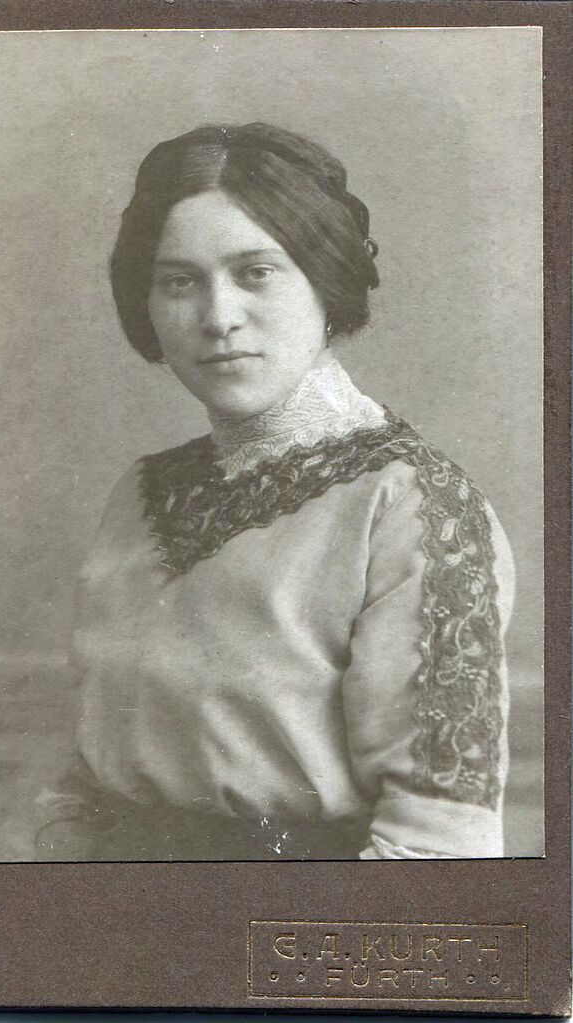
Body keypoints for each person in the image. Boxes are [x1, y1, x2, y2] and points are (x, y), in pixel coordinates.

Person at [34, 122, 515, 861]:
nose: (218, 318)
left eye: (255, 272)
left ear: (325, 283)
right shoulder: (140, 494)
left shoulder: (414, 506)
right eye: (179, 281)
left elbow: (442, 839)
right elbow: (85, 774)